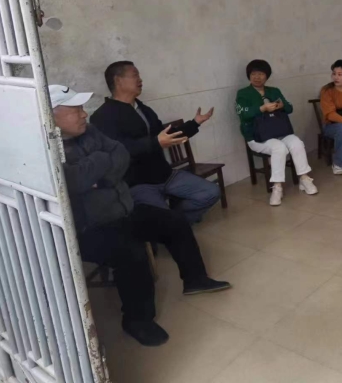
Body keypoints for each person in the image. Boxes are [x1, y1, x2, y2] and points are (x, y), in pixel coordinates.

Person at [50, 85, 230, 347]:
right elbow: (74, 180)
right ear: (51, 115)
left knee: (173, 221)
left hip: (124, 209)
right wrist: (102, 162)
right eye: (75, 110)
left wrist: (100, 177)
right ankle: (137, 320)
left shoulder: (89, 131)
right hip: (90, 227)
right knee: (131, 254)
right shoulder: (46, 149)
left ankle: (195, 279)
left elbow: (121, 155)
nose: (83, 114)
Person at [90, 61, 220, 224]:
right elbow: (118, 152)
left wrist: (194, 123)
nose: (140, 79)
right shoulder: (102, 116)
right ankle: (173, 224)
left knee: (211, 192)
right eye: (135, 75)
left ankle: (179, 222)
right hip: (137, 183)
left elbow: (165, 135)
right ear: (118, 80)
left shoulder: (144, 109)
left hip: (164, 174)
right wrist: (155, 143)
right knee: (163, 219)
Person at [235, 60, 318, 206]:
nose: (257, 77)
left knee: (297, 143)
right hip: (257, 137)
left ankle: (304, 178)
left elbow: (289, 108)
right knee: (279, 147)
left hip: (279, 131)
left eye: (261, 74)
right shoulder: (243, 93)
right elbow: (243, 114)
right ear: (249, 75)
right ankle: (277, 187)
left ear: (267, 76)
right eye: (254, 74)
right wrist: (262, 108)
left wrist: (280, 105)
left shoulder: (274, 91)